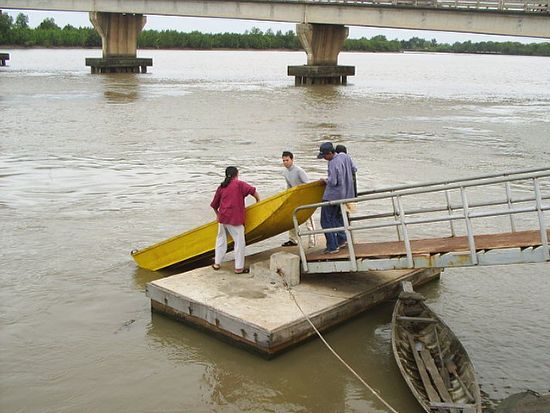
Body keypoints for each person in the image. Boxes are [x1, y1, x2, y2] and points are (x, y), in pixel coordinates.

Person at [210, 166, 260, 273]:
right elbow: (253, 191)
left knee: (221, 240)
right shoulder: (239, 184)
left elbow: (214, 205)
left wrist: (218, 215)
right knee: (239, 243)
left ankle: (217, 263)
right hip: (235, 219)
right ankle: (239, 267)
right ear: (237, 174)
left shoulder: (222, 186)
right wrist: (258, 201)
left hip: (223, 218)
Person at [317, 142, 357, 254]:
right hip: (344, 195)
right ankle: (342, 240)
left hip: (332, 196)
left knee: (325, 221)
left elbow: (333, 181)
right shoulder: (345, 156)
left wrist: (325, 180)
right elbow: (354, 169)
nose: (324, 158)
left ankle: (332, 246)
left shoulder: (332, 163)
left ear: (330, 153)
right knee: (337, 218)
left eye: (325, 155)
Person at [281, 151, 316, 248]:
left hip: (305, 198)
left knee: (308, 220)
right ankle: (293, 240)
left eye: (287, 160)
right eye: (283, 161)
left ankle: (312, 241)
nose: (285, 162)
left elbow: (308, 185)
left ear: (292, 159)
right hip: (295, 198)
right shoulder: (285, 172)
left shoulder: (299, 171)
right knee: (292, 218)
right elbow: (289, 187)